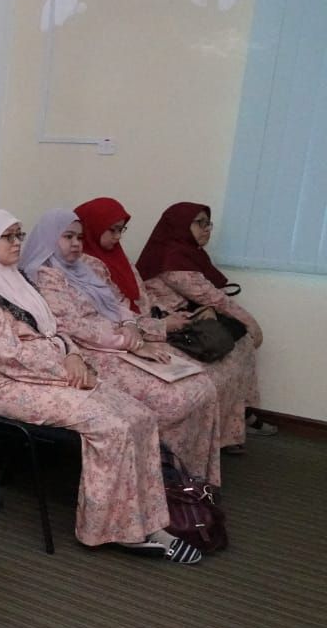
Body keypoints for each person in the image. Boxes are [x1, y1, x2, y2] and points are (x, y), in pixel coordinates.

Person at [0, 209, 200, 563]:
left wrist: (72, 356)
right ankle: (116, 529)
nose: (17, 243)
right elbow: (9, 357)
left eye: (19, 235)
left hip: (51, 371)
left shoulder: (14, 280)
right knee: (112, 426)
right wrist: (67, 368)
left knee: (140, 415)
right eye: (8, 236)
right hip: (5, 384)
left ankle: (148, 519)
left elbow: (54, 329)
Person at [21, 209, 223, 483]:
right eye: (67, 237)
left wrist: (130, 326)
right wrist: (130, 343)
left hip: (118, 342)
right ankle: (155, 479)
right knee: (173, 399)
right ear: (48, 237)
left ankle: (190, 478)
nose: (76, 244)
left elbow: (117, 304)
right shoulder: (43, 276)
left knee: (201, 385)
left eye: (79, 237)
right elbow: (74, 326)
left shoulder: (86, 267)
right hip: (88, 353)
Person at [75, 196, 257, 452]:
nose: (118, 237)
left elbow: (138, 302)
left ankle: (205, 447)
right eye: (111, 229)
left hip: (144, 327)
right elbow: (104, 316)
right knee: (193, 384)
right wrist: (158, 327)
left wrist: (158, 322)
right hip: (120, 340)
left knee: (217, 364)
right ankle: (170, 458)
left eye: (121, 230)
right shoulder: (83, 266)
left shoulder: (119, 258)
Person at [135, 201, 273, 451]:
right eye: (199, 223)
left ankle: (233, 422)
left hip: (187, 320)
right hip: (169, 325)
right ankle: (221, 431)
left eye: (208, 223)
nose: (206, 229)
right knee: (228, 355)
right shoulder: (171, 256)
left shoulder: (189, 252)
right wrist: (252, 323)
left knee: (238, 344)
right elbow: (211, 297)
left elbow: (209, 297)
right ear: (179, 225)